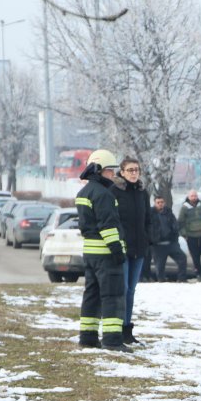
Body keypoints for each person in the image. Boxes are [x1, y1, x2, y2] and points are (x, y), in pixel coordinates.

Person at [75, 149, 129, 352]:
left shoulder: (84, 193)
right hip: (106, 254)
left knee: (92, 295)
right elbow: (108, 226)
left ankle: (88, 337)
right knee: (112, 296)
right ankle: (112, 340)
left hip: (90, 254)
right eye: (109, 170)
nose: (112, 174)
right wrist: (117, 251)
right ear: (98, 171)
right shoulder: (104, 195)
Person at [110, 157, 151, 344]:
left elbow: (148, 219)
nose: (134, 173)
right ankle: (116, 328)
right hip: (122, 247)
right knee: (123, 288)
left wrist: (148, 239)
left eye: (137, 170)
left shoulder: (143, 193)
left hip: (139, 248)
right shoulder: (115, 192)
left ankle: (127, 329)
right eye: (130, 170)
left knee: (131, 290)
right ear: (122, 172)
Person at [149, 196, 188, 282]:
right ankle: (161, 281)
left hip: (171, 243)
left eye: (162, 202)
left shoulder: (169, 213)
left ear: (164, 203)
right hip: (158, 245)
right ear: (155, 203)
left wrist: (175, 239)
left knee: (182, 258)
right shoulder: (150, 214)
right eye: (158, 202)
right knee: (160, 266)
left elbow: (175, 226)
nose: (160, 204)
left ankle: (182, 279)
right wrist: (152, 241)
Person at [178, 189, 201, 281]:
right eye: (192, 196)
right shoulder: (184, 208)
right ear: (189, 197)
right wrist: (184, 234)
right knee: (195, 257)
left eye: (195, 196)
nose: (194, 198)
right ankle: (198, 274)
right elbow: (180, 222)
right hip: (191, 237)